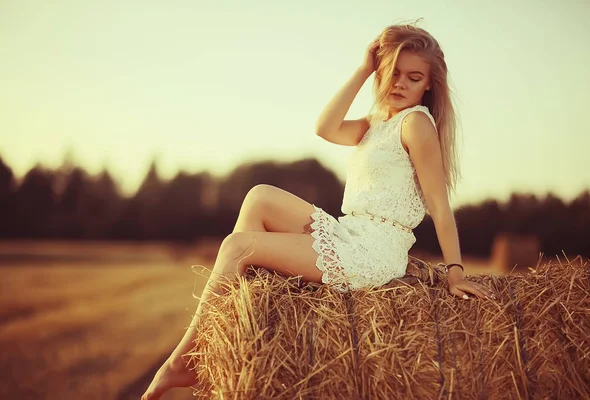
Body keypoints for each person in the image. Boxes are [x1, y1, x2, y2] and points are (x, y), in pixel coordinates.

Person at [141, 21, 496, 400]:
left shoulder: (416, 125)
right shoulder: (378, 123)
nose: (400, 83)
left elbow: (440, 207)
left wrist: (454, 272)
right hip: (350, 231)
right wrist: (363, 69)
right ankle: (241, 329)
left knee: (236, 247)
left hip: (373, 252)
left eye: (414, 77)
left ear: (429, 84)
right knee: (259, 196)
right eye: (393, 72)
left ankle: (185, 359)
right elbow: (325, 128)